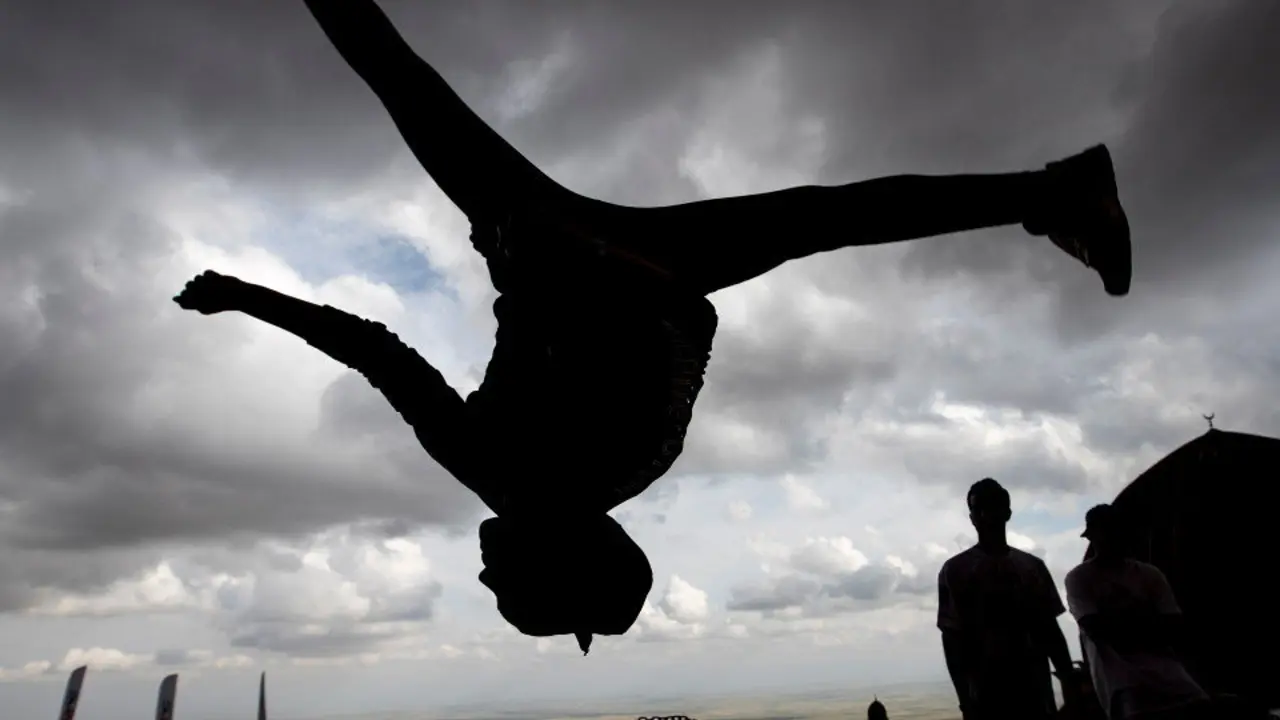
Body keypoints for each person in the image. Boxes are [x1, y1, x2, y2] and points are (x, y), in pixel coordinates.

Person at [174, 0, 1133, 653]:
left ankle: (1055, 192)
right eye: (509, 599)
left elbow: (383, 355)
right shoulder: (563, 464)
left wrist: (245, 298)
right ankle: (1054, 193)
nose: (483, 582)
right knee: (402, 85)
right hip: (585, 253)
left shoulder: (570, 469)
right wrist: (581, 265)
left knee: (829, 215)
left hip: (588, 254)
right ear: (552, 563)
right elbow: (678, 324)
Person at [937, 478, 1078, 720]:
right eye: (977, 509)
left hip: (1034, 689)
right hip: (985, 693)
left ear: (1007, 513)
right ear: (971, 517)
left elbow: (1049, 630)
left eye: (991, 506)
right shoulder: (955, 571)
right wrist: (965, 701)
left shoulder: (1032, 568)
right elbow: (953, 640)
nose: (983, 515)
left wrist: (1068, 682)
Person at [1065, 504, 1212, 720]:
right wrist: (1149, 625)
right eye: (1108, 531)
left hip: (1169, 675)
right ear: (1093, 537)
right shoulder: (1079, 578)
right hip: (1120, 682)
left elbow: (1173, 625)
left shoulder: (1150, 574)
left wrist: (1118, 625)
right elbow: (1096, 628)